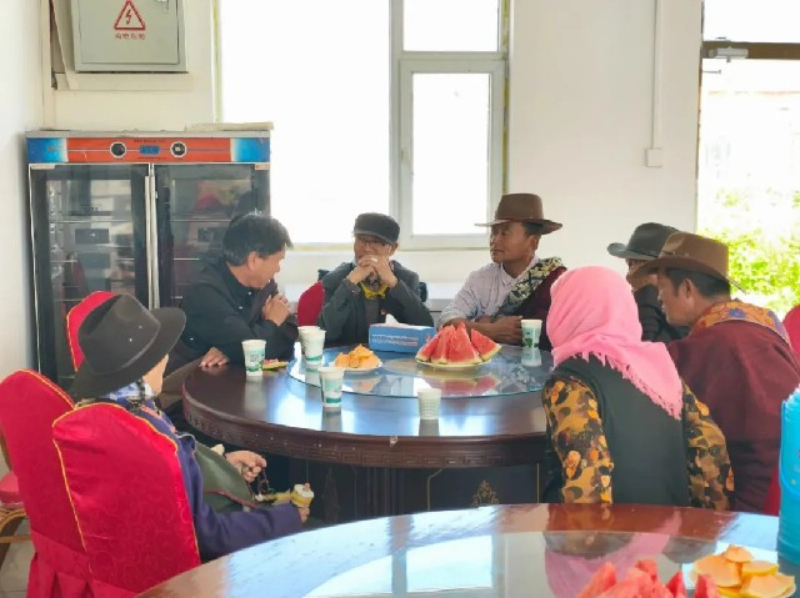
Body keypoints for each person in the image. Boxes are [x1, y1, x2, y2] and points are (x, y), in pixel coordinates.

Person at [70, 294, 309, 561]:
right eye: (161, 351)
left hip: (126, 557)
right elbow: (208, 534)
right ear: (145, 367)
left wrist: (220, 463)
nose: (167, 358)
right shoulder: (158, 441)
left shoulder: (106, 415)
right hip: (196, 569)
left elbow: (164, 485)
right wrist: (284, 519)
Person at [541, 266, 732, 509]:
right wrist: (705, 525)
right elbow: (710, 450)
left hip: (609, 531)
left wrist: (580, 535)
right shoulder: (659, 367)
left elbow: (587, 484)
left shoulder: (570, 380)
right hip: (673, 527)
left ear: (567, 311)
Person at [642, 232, 800, 512]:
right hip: (789, 487)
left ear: (687, 289)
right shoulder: (765, 326)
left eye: (661, 287)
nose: (659, 297)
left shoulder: (706, 346)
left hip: (749, 505)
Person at [439, 193, 566, 350]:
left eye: (505, 233)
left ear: (533, 242)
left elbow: (560, 333)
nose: (495, 240)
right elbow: (446, 320)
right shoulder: (480, 279)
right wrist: (490, 330)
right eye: (494, 232)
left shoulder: (555, 281)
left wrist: (480, 322)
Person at [319, 213, 433, 345]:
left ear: (392, 248)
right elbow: (325, 334)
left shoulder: (407, 279)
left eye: (376, 241)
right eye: (361, 239)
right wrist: (349, 284)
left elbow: (426, 331)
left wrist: (394, 284)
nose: (366, 248)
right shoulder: (335, 279)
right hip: (348, 356)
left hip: (392, 356)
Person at [607, 222, 687, 343]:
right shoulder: (627, 305)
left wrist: (647, 292)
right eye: (630, 264)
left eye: (637, 264)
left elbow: (645, 346)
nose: (628, 277)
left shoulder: (683, 316)